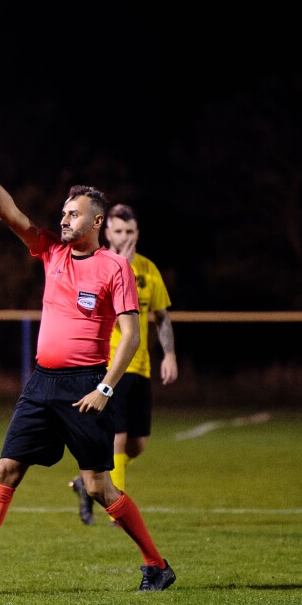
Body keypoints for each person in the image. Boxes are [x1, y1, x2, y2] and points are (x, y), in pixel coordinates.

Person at [0, 132, 175, 593]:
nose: (64, 218)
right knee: (5, 470)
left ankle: (156, 563)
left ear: (96, 220)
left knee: (98, 487)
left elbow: (132, 336)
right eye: (63, 213)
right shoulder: (50, 251)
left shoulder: (115, 268)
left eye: (73, 213)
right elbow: (7, 212)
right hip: (41, 385)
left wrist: (105, 389)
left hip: (86, 386)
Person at [69, 203, 178, 525]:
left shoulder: (148, 269)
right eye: (118, 231)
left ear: (137, 233)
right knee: (117, 435)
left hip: (141, 366)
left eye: (130, 231)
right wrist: (121, 271)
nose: (125, 237)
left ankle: (85, 481)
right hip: (109, 364)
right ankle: (116, 506)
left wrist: (169, 354)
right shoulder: (98, 265)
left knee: (137, 444)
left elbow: (161, 316)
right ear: (107, 232)